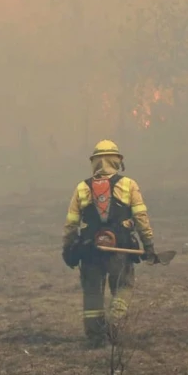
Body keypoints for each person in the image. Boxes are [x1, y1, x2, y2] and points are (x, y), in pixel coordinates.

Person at [61, 140, 156, 347]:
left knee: (93, 292)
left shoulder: (81, 188)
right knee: (123, 285)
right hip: (120, 248)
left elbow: (71, 223)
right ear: (117, 161)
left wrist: (67, 249)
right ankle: (116, 322)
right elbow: (141, 217)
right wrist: (148, 245)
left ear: (94, 162)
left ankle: (95, 338)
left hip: (89, 250)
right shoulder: (129, 185)